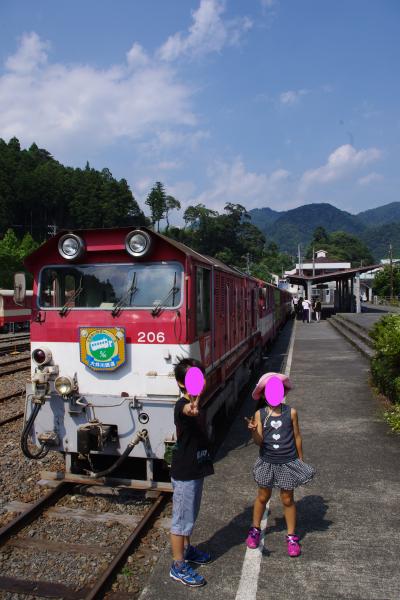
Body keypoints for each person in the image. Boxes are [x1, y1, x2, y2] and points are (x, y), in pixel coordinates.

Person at [245, 372, 315, 557]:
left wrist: (300, 460)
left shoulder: (291, 412)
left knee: (287, 499)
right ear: (264, 394)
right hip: (267, 462)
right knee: (262, 497)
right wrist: (253, 431)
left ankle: (292, 536)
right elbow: (259, 442)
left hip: (287, 462)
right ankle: (254, 529)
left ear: (283, 392)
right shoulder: (259, 414)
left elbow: (297, 436)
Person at [169, 358, 214, 587]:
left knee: (190, 515)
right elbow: (187, 410)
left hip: (194, 467)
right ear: (180, 383)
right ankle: (178, 566)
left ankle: (186, 550)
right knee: (181, 520)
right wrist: (192, 407)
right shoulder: (182, 406)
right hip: (186, 471)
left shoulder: (197, 401)